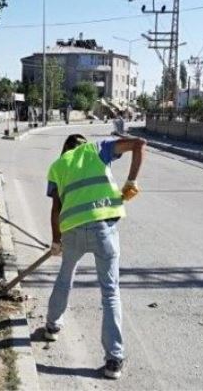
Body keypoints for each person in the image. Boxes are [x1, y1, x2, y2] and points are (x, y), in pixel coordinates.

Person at [44, 133, 146, 380]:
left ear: (64, 149)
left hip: (72, 230)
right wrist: (130, 181)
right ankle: (113, 360)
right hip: (104, 230)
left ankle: (52, 326)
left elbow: (56, 208)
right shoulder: (98, 148)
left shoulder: (58, 165)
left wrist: (56, 241)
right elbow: (139, 143)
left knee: (65, 277)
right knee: (110, 292)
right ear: (84, 144)